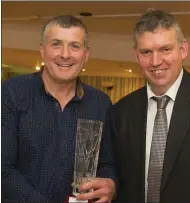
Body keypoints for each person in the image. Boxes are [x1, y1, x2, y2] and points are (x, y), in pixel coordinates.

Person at [110, 10, 190, 203]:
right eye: (146, 52)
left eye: (165, 49)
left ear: (183, 49)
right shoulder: (122, 111)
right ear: (136, 55)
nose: (155, 61)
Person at [2, 15, 117, 203]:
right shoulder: (11, 94)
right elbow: (3, 171)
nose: (65, 54)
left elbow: (106, 163)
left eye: (75, 46)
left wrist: (111, 184)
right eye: (56, 44)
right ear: (42, 50)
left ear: (86, 54)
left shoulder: (99, 103)